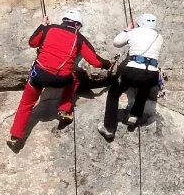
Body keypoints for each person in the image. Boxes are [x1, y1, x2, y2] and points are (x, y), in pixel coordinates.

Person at [8, 10, 111, 148]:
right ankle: (64, 110)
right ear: (77, 25)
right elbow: (95, 61)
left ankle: (15, 136)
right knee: (74, 79)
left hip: (39, 75)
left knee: (26, 104)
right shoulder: (79, 38)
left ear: (64, 20)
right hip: (61, 78)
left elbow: (32, 43)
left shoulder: (49, 29)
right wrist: (108, 64)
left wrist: (42, 26)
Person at [98, 13, 164, 140]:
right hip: (152, 73)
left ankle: (109, 128)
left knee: (113, 93)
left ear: (140, 22)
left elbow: (117, 43)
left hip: (133, 70)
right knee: (144, 89)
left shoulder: (134, 32)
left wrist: (127, 30)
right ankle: (134, 115)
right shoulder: (159, 37)